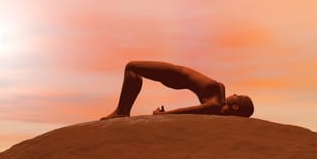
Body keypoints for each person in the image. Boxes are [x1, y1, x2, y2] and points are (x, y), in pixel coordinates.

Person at [100, 61, 254, 120]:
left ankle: (122, 111)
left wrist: (164, 115)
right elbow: (195, 111)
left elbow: (189, 111)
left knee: (132, 67)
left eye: (238, 96)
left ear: (235, 106)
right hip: (175, 74)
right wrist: (164, 114)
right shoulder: (219, 94)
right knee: (133, 70)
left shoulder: (215, 104)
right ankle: (122, 111)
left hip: (175, 76)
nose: (235, 94)